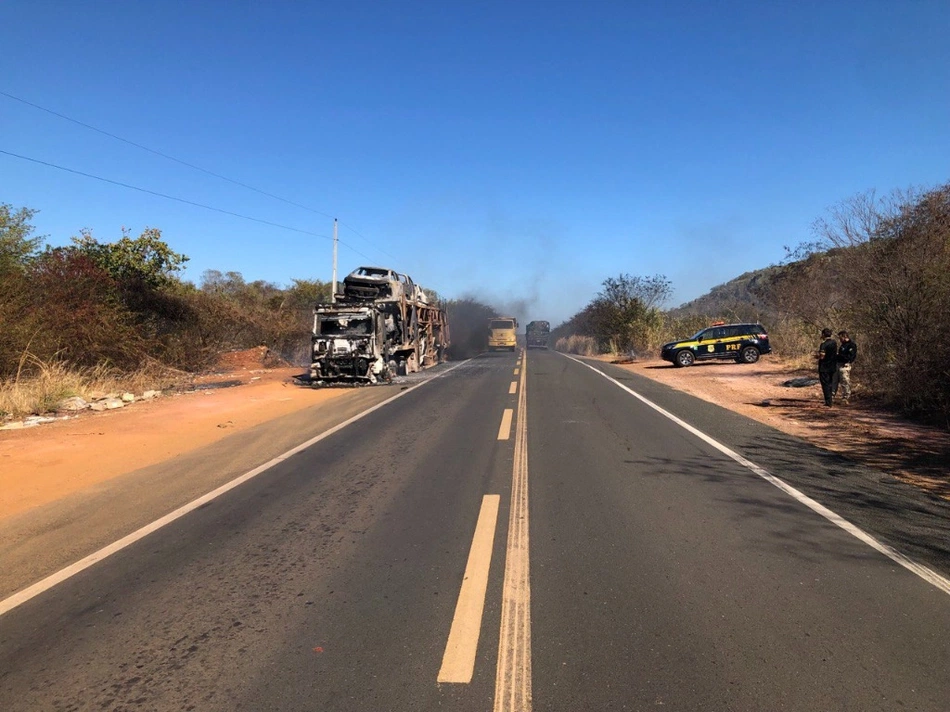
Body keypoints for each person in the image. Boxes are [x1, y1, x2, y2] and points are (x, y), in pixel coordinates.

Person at [833, 330, 857, 403]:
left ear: (844, 336)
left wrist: (839, 355)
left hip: (844, 366)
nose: (839, 339)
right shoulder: (842, 345)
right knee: (834, 381)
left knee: (845, 381)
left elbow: (850, 357)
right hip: (838, 365)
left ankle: (845, 398)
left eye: (840, 338)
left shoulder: (851, 345)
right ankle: (831, 396)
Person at [816, 328, 838, 407]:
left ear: (823, 335)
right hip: (832, 366)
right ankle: (830, 400)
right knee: (830, 383)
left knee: (825, 384)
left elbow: (822, 356)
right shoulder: (834, 343)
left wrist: (817, 356)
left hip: (824, 367)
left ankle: (828, 402)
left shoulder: (823, 344)